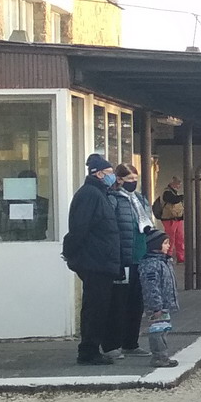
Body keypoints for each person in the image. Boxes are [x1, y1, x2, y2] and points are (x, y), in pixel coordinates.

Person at [62, 153, 130, 365]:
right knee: (94, 307)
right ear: (99, 174)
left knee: (101, 307)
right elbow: (79, 228)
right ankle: (88, 351)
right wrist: (71, 252)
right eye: (109, 172)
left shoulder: (99, 193)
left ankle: (96, 348)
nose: (113, 176)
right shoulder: (90, 195)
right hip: (95, 261)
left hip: (102, 260)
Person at [112, 163, 154, 356]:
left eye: (135, 179)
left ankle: (131, 342)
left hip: (141, 255)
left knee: (137, 303)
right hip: (125, 257)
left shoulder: (140, 199)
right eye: (129, 179)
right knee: (121, 302)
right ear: (119, 179)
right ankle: (116, 342)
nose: (133, 182)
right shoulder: (114, 199)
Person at [140, 228, 180, 368]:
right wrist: (156, 306)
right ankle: (159, 357)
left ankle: (162, 356)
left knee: (163, 329)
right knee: (158, 331)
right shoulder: (152, 264)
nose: (168, 246)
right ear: (156, 245)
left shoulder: (163, 262)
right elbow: (151, 287)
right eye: (165, 243)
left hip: (163, 305)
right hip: (157, 306)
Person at [153, 177, 186, 264]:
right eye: (178, 183)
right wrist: (183, 196)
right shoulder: (167, 192)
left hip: (177, 219)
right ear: (172, 183)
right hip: (169, 219)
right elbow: (173, 200)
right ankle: (168, 256)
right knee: (170, 238)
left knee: (180, 239)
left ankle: (181, 258)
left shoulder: (173, 193)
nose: (179, 185)